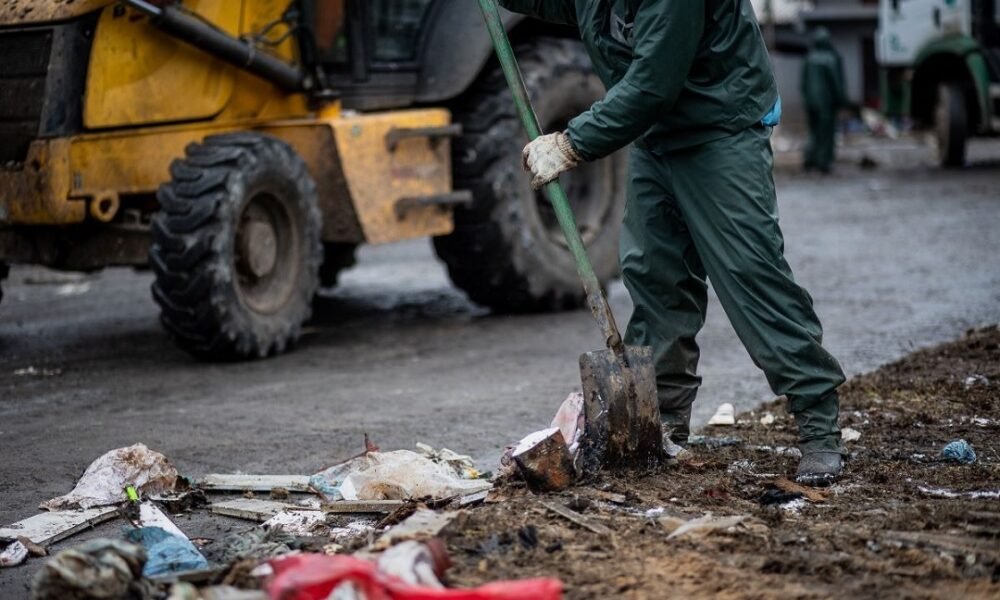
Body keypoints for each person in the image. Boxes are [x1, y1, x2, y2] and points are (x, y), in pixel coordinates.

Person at [499, 0, 847, 485]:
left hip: (719, 128)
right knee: (656, 277)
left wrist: (571, 143)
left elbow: (651, 86)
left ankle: (819, 427)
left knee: (750, 274)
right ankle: (661, 423)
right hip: (656, 137)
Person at [801, 26, 849, 173]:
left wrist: (807, 98)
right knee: (826, 133)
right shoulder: (830, 59)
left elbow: (802, 83)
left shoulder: (808, 59)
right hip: (826, 103)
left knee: (813, 131)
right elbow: (836, 83)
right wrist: (842, 100)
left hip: (810, 102)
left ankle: (809, 158)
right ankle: (824, 162)